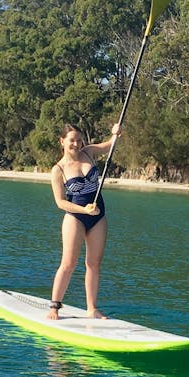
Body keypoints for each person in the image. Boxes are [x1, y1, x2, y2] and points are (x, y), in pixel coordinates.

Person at [48, 122, 121, 320]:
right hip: (75, 217)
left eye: (79, 139)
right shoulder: (58, 169)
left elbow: (109, 145)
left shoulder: (88, 152)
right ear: (62, 142)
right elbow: (60, 202)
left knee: (94, 264)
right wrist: (83, 210)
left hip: (98, 216)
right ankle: (54, 307)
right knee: (68, 263)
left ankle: (92, 309)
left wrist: (115, 133)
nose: (77, 144)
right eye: (72, 140)